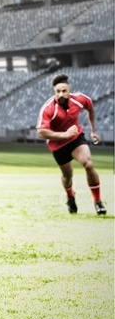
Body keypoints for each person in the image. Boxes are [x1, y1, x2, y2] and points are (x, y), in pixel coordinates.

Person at [36, 73, 106, 215]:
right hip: (58, 145)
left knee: (88, 164)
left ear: (69, 90)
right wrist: (64, 135)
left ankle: (98, 201)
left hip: (76, 139)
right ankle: (70, 196)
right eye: (58, 91)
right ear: (54, 92)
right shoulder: (49, 108)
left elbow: (90, 108)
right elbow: (41, 132)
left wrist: (93, 131)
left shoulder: (80, 99)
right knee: (68, 176)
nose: (61, 94)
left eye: (64, 91)